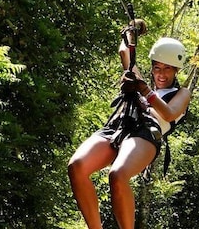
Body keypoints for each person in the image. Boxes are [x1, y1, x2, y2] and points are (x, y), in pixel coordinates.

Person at [67, 23, 191, 229]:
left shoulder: (181, 93)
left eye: (167, 69)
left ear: (176, 70)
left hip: (145, 134)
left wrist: (142, 88)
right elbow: (124, 50)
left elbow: (169, 113)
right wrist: (131, 31)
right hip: (119, 126)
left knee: (117, 175)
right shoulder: (140, 80)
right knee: (77, 166)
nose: (161, 74)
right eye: (157, 67)